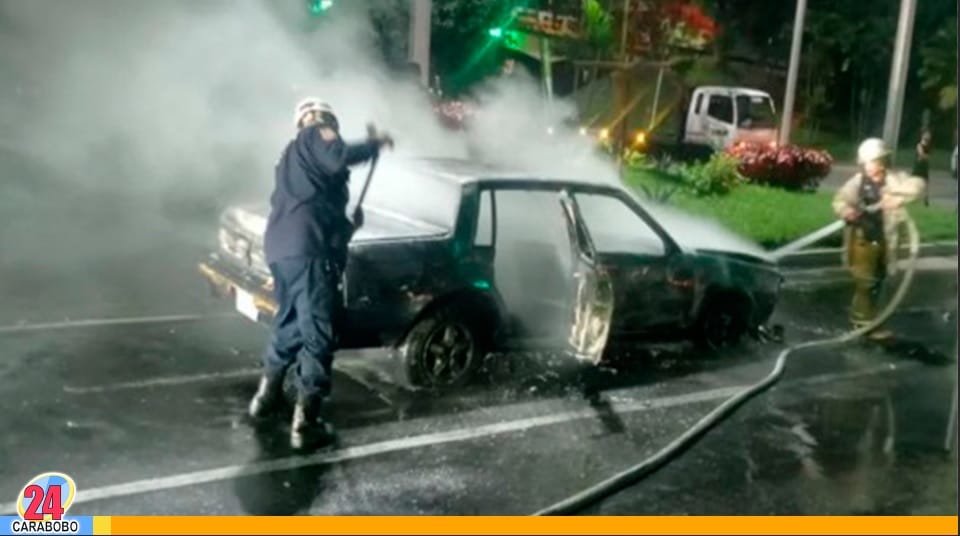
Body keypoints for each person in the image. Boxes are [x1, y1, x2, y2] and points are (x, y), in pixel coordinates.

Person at [248, 98, 394, 450]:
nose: (332, 132)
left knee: (290, 322)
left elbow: (316, 206)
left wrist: (348, 227)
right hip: (308, 251)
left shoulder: (290, 159)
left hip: (284, 249)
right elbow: (338, 156)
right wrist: (373, 144)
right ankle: (306, 420)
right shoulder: (318, 131)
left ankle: (265, 400)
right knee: (317, 332)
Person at [832, 138, 925, 341]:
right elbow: (839, 200)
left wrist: (897, 197)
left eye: (878, 161)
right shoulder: (857, 183)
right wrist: (847, 211)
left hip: (884, 240)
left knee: (879, 281)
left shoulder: (894, 180)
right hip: (862, 240)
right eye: (870, 162)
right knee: (866, 283)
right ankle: (864, 324)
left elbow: (917, 185)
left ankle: (871, 320)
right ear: (863, 163)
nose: (874, 166)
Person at [911, 130, 932, 206]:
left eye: (929, 135)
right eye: (926, 135)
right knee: (915, 182)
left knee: (926, 182)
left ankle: (926, 199)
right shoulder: (919, 145)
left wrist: (924, 156)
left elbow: (927, 156)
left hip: (925, 166)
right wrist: (924, 156)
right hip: (918, 166)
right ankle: (913, 197)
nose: (928, 136)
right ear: (922, 136)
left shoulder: (928, 146)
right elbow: (922, 154)